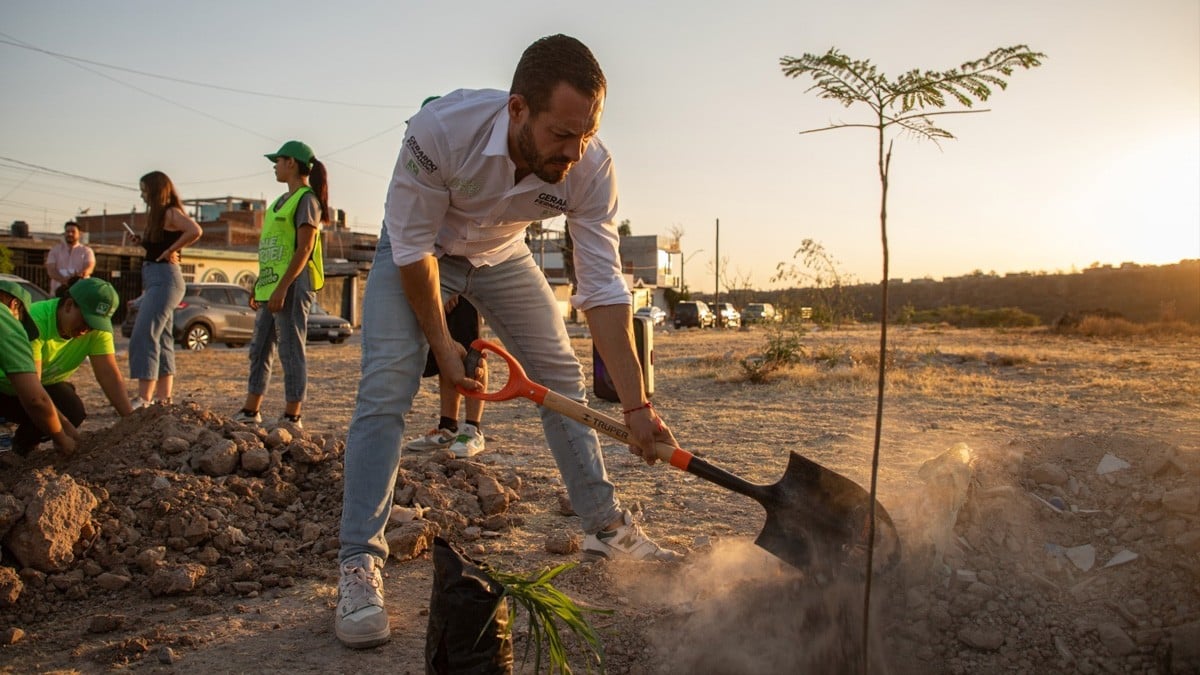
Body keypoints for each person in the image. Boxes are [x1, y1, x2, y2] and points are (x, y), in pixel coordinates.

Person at [335, 34, 680, 650]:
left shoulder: (591, 165)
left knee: (561, 374)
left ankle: (603, 524)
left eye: (585, 135)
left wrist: (636, 407)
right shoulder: (441, 130)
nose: (574, 152)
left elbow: (601, 290)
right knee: (387, 386)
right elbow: (412, 249)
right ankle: (359, 563)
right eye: (560, 135)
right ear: (517, 109)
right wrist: (443, 346)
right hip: (420, 249)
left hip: (499, 253)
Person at [233, 140, 328, 429]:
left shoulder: (306, 200)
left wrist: (283, 287)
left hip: (293, 285)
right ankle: (251, 411)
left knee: (290, 347)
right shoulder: (277, 204)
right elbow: (273, 250)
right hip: (271, 286)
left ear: (292, 163)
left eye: (278, 160)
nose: (275, 165)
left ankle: (292, 415)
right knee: (259, 348)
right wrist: (260, 285)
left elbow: (304, 249)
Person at [20, 277, 128, 453]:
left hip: (44, 382)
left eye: (95, 324)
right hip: (9, 386)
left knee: (72, 408)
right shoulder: (35, 322)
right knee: (44, 407)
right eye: (85, 320)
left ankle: (23, 445)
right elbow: (34, 396)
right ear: (69, 305)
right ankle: (21, 451)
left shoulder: (96, 330)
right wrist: (63, 436)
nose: (87, 329)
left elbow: (109, 374)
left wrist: (131, 420)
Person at [127, 171, 203, 407]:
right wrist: (144, 243)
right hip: (156, 278)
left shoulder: (170, 212)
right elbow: (160, 244)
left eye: (145, 189)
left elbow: (195, 230)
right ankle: (163, 397)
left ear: (156, 189)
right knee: (162, 337)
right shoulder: (158, 217)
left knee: (144, 333)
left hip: (165, 279)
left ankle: (144, 398)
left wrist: (172, 250)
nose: (142, 194)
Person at [0, 280, 80, 455]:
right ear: (15, 305)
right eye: (21, 319)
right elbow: (36, 399)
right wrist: (62, 440)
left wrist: (65, 425)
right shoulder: (7, 323)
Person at [403, 294, 488, 457]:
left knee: (472, 351)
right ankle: (448, 429)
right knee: (446, 350)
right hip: (438, 279)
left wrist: (454, 286)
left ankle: (472, 430)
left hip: (465, 277)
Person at [44, 221, 96, 295]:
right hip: (58, 293)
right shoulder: (55, 250)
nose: (70, 234)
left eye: (73, 232)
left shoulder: (87, 251)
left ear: (79, 234)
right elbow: (51, 271)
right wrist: (65, 281)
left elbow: (89, 267)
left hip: (80, 292)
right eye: (67, 231)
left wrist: (74, 280)